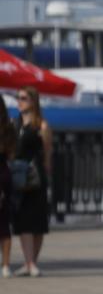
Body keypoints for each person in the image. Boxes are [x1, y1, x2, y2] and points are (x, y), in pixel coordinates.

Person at [11, 87, 53, 277]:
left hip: (36, 175)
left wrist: (46, 173)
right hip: (19, 176)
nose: (19, 102)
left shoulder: (41, 126)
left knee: (38, 222)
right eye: (18, 98)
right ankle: (28, 263)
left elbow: (47, 153)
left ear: (33, 102)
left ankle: (32, 262)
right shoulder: (15, 124)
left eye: (23, 98)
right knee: (23, 220)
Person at [0, 94, 14, 278]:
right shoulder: (8, 128)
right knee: (4, 223)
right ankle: (5, 265)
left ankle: (5, 265)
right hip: (4, 173)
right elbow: (11, 154)